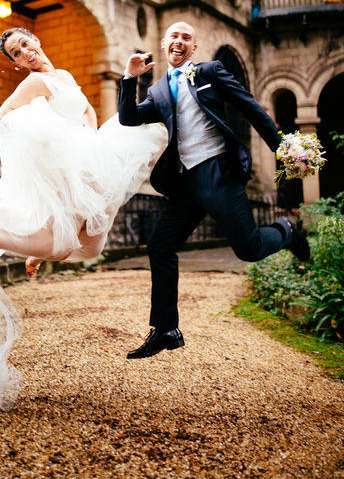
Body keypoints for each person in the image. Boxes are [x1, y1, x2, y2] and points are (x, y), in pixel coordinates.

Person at [0, 27, 167, 420]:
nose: (25, 52)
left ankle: (40, 251)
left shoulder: (62, 76)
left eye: (26, 43)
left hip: (86, 164)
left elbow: (88, 111)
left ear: (37, 41)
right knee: (63, 245)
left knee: (91, 247)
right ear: (14, 63)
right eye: (15, 52)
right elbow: (1, 118)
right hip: (61, 166)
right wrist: (50, 140)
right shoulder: (34, 83)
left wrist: (90, 145)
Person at [118, 20, 310, 360]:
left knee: (248, 249)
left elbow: (250, 107)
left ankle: (286, 230)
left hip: (218, 172)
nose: (179, 41)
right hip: (185, 181)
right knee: (161, 247)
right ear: (164, 45)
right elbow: (128, 119)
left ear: (193, 48)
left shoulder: (210, 72)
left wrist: (284, 149)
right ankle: (165, 329)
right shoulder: (159, 90)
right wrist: (129, 78)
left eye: (186, 38)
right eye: (173, 36)